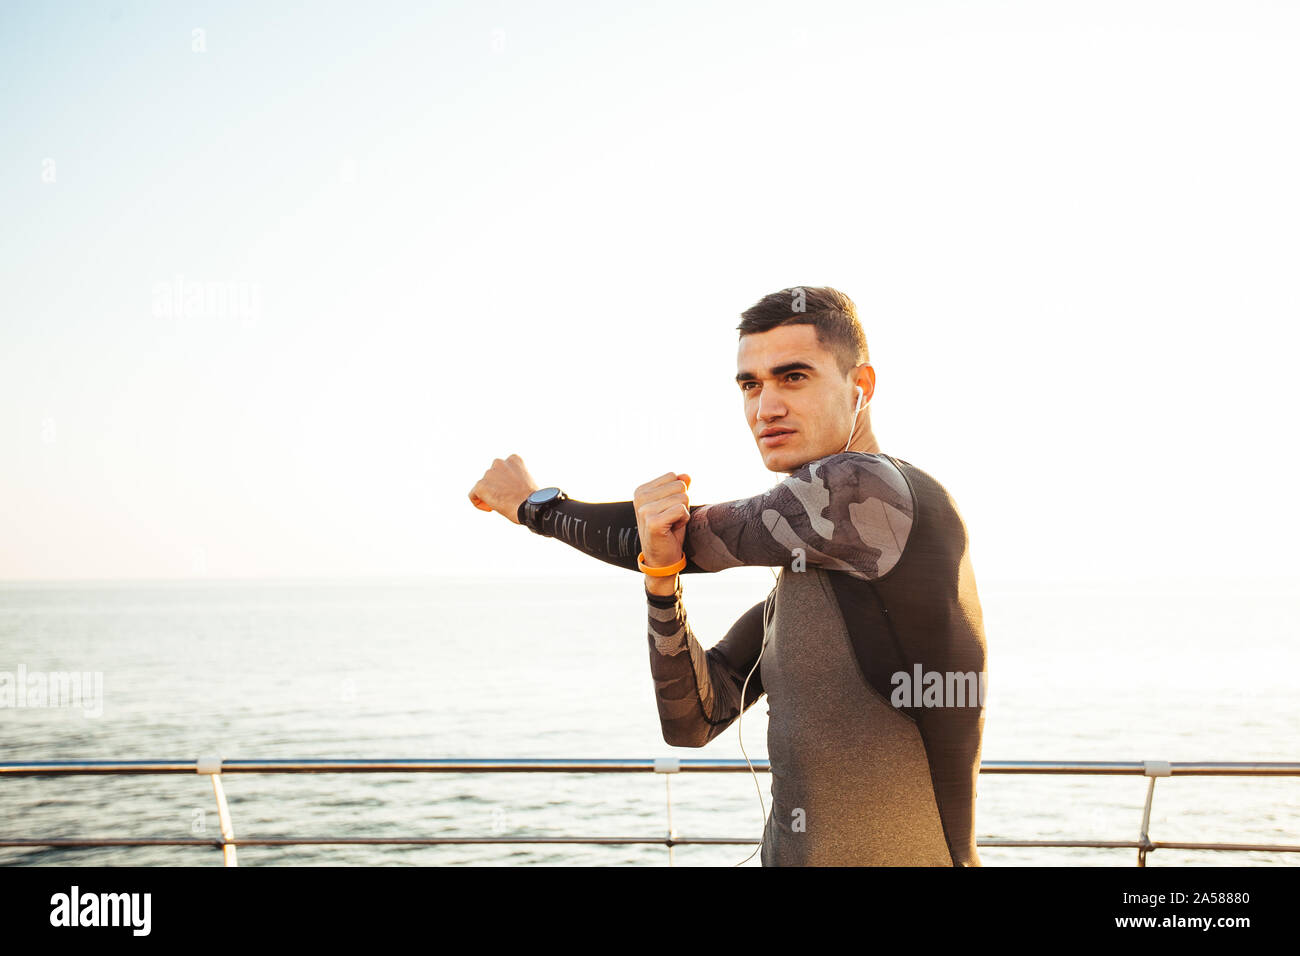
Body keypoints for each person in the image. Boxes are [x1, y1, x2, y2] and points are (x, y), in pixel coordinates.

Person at [469, 286, 988, 866]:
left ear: (859, 387)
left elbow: (685, 536)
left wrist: (533, 505)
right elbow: (694, 719)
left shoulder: (868, 491)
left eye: (794, 377)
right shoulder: (815, 569)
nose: (765, 408)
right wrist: (661, 584)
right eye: (750, 384)